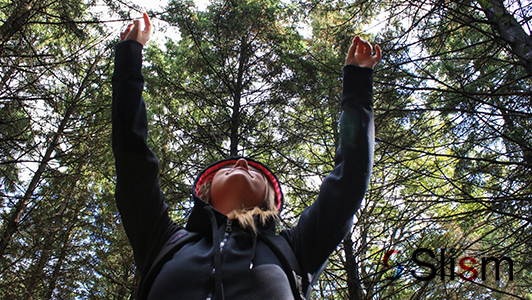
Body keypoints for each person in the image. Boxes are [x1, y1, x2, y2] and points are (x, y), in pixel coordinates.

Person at [112, 13, 381, 300]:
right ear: (204, 191)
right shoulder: (164, 240)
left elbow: (349, 178)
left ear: (268, 197)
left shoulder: (296, 248)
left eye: (256, 170)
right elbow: (132, 158)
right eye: (227, 167)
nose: (241, 162)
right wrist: (129, 57)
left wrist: (358, 80)